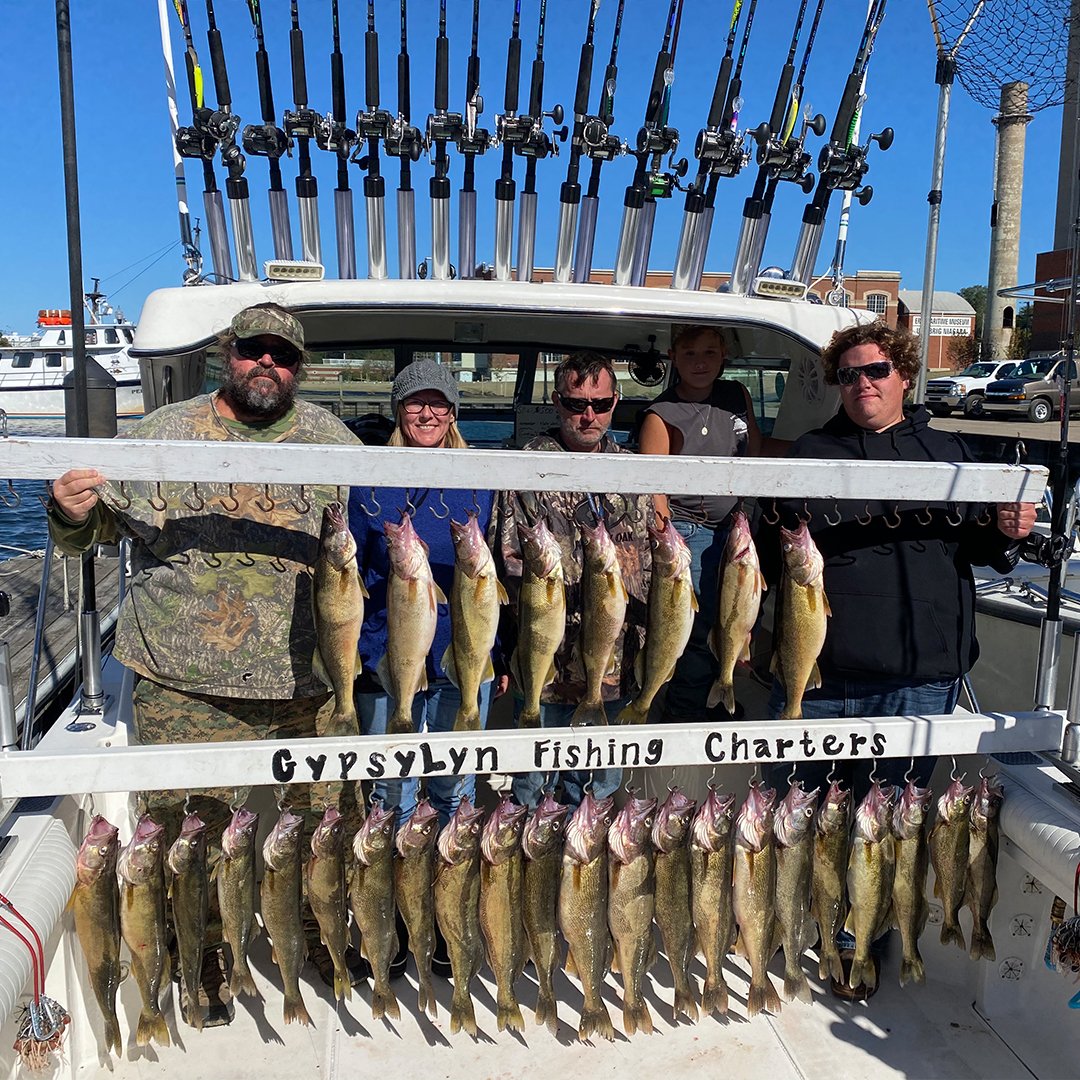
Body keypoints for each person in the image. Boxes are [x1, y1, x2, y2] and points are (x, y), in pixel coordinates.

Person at [48, 302, 368, 1019]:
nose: (267, 363)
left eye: (283, 355)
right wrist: (69, 510)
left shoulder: (334, 440)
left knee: (325, 821)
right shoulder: (162, 432)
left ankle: (318, 929)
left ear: (299, 368)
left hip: (307, 683)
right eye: (253, 349)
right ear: (228, 353)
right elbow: (93, 530)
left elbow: (374, 539)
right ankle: (207, 952)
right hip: (182, 683)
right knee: (188, 834)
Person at [754, 321, 1035, 997]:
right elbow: (768, 554)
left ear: (904, 374)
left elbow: (987, 549)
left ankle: (862, 945)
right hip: (818, 673)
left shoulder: (951, 452)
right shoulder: (809, 453)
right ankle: (795, 927)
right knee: (799, 813)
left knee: (884, 829)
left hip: (919, 675)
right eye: (848, 374)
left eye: (876, 370)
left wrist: (1009, 528)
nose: (862, 384)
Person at [492, 351, 655, 809]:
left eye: (600, 404)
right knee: (530, 790)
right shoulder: (525, 468)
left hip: (614, 664)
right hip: (545, 663)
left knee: (597, 792)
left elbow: (648, 564)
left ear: (616, 402)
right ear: (556, 401)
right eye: (575, 403)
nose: (588, 416)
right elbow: (507, 565)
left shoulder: (634, 470)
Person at [348, 359, 505, 829]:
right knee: (390, 794)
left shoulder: (480, 480)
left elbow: (492, 580)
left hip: (463, 655)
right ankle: (394, 874)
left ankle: (449, 871)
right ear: (399, 410)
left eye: (439, 403)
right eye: (416, 403)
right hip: (389, 654)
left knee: (455, 790)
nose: (427, 414)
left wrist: (498, 653)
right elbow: (351, 573)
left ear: (453, 412)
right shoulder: (368, 480)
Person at [638, 323, 779, 722]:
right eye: (689, 354)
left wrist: (814, 450)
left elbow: (753, 451)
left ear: (723, 356)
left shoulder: (737, 394)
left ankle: (719, 697)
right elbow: (653, 489)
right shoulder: (660, 414)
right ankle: (684, 710)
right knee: (697, 628)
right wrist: (670, 546)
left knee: (736, 620)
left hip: (737, 527)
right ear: (673, 358)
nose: (699, 363)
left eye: (709, 353)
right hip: (689, 532)